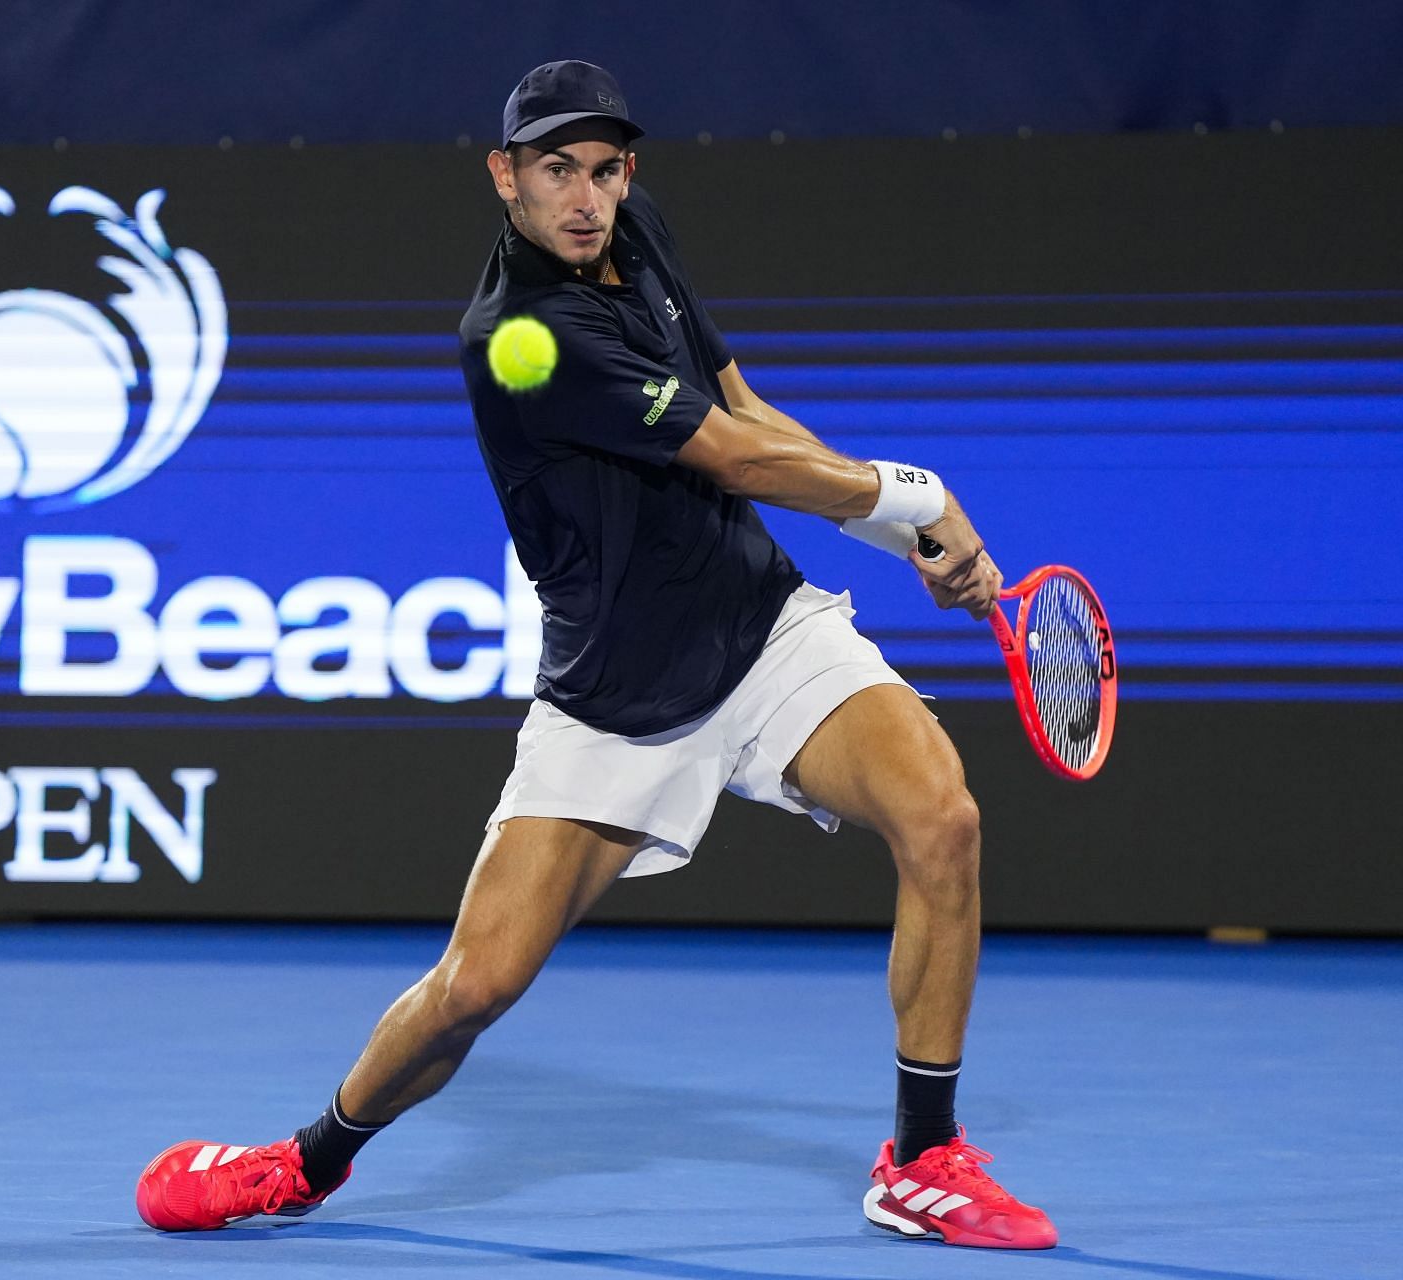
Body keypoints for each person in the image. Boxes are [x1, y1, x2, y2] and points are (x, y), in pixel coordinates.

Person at [135, 59, 1056, 1250]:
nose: (584, 197)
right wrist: (916, 498)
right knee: (474, 988)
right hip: (614, 704)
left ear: (631, 171)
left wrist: (899, 531)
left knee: (944, 816)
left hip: (760, 626)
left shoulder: (637, 229)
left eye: (605, 169)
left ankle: (922, 1157)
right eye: (556, 170)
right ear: (503, 176)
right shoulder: (523, 335)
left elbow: (743, 401)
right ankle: (304, 1161)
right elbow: (731, 456)